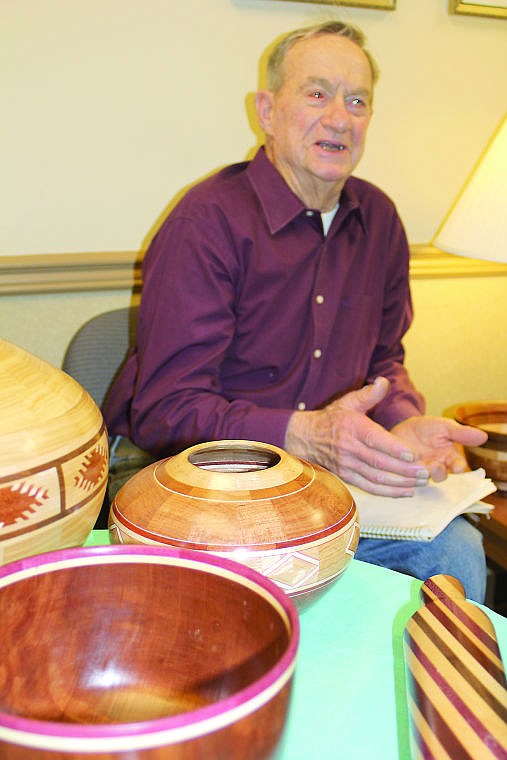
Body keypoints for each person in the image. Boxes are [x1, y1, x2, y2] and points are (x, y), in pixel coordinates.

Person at [103, 21, 488, 601]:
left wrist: (401, 424)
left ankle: (440, 694)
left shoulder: (380, 219)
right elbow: (165, 411)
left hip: (323, 484)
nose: (340, 116)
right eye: (317, 93)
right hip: (200, 482)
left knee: (456, 551)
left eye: (358, 101)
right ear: (267, 109)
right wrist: (304, 435)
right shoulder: (205, 223)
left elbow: (385, 359)